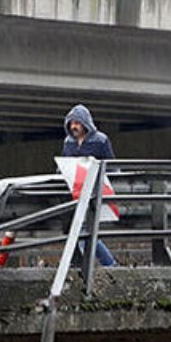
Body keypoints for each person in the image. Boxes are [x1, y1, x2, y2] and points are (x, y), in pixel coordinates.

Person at [62, 103, 117, 267]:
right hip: (75, 193)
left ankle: (107, 264)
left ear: (85, 123)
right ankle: (83, 264)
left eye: (77, 123)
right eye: (72, 123)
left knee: (85, 232)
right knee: (75, 231)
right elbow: (65, 164)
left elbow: (111, 165)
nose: (74, 127)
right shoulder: (68, 142)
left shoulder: (100, 140)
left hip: (93, 192)